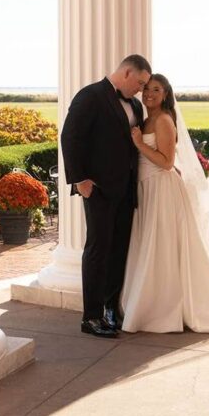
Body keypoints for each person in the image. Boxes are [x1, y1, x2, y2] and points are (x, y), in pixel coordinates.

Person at [120, 74, 209, 334]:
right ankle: (150, 304)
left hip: (161, 189)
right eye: (146, 88)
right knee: (153, 246)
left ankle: (163, 311)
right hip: (148, 188)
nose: (149, 93)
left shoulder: (163, 120)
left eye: (156, 89)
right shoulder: (147, 118)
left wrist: (138, 144)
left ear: (165, 94)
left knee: (162, 247)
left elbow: (167, 162)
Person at [60, 54, 152, 337]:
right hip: (98, 188)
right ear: (126, 73)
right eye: (139, 83)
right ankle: (91, 317)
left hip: (126, 189)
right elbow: (70, 137)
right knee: (98, 250)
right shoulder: (90, 96)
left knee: (119, 249)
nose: (140, 90)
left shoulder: (135, 104)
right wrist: (79, 180)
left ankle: (112, 307)